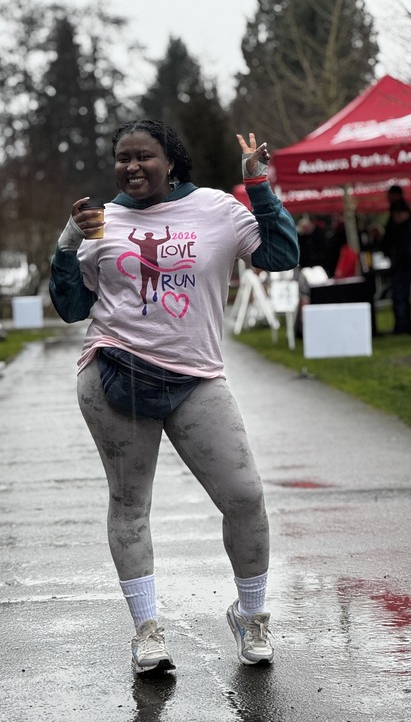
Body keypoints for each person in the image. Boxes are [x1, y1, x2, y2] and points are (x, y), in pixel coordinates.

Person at [49, 120, 299, 674]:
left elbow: (281, 255)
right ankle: (147, 631)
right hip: (114, 374)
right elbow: (69, 306)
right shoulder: (101, 222)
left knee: (245, 495)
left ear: (171, 161)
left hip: (197, 379)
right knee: (130, 503)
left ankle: (251, 615)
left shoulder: (215, 210)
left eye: (144, 156)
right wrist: (69, 239)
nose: (132, 167)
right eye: (122, 158)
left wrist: (257, 183)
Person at [381, 185, 411, 334]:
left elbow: (398, 222)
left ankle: (403, 326)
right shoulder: (398, 211)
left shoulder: (401, 209)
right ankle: (402, 325)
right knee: (400, 295)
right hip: (401, 261)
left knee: (400, 295)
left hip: (404, 261)